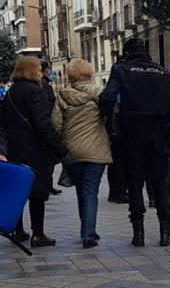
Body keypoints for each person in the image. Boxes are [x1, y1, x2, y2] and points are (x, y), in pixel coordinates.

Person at [99, 38, 170, 247]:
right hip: (159, 133)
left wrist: (109, 125)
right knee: (160, 181)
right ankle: (165, 233)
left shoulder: (121, 70)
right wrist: (168, 135)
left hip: (132, 132)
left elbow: (107, 98)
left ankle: (139, 234)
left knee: (134, 183)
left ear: (127, 53)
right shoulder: (164, 73)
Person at [1, 56, 69, 247]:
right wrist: (59, 148)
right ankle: (38, 234)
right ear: (31, 70)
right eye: (39, 69)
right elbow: (43, 124)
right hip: (34, 149)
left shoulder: (11, 92)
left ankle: (18, 230)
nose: (41, 72)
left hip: (15, 149)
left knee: (19, 190)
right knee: (37, 192)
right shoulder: (35, 92)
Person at [52, 59, 112, 249]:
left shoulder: (62, 96)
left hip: (71, 151)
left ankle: (87, 230)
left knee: (81, 192)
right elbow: (111, 114)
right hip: (95, 149)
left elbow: (55, 124)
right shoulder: (99, 93)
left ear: (70, 75)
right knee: (90, 192)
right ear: (89, 73)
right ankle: (88, 234)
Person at [41, 61, 63, 196]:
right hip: (48, 124)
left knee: (49, 159)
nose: (50, 70)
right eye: (49, 68)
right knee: (49, 158)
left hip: (47, 123)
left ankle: (47, 184)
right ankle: (47, 185)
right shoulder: (44, 86)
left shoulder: (44, 84)